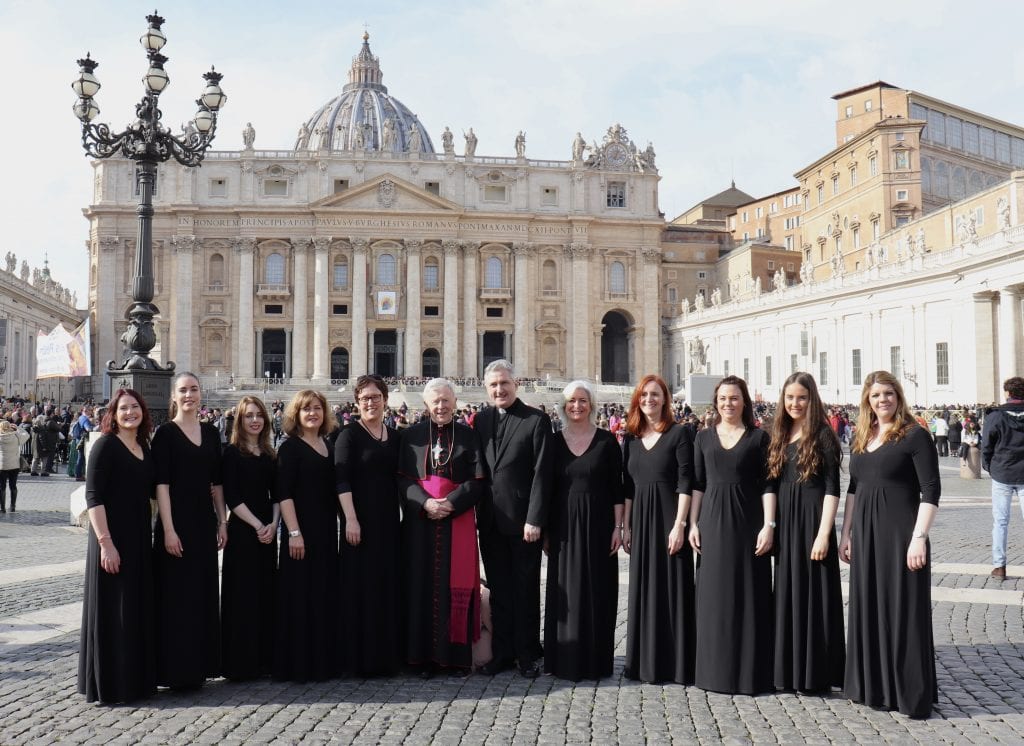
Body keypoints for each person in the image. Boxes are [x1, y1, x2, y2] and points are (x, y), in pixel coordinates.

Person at [839, 370, 940, 719]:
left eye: (889, 394)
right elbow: (854, 488)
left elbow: (931, 490)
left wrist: (919, 538)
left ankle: (907, 692)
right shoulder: (862, 436)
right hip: (866, 533)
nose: (883, 400)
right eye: (876, 395)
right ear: (867, 400)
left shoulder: (915, 435)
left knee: (903, 609)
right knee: (870, 607)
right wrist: (846, 533)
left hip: (901, 533)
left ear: (899, 397)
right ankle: (873, 685)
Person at [689, 375, 774, 695]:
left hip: (747, 523)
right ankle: (713, 670)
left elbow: (768, 485)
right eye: (723, 398)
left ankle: (750, 671)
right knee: (713, 598)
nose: (728, 404)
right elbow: (697, 484)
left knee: (748, 596)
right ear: (716, 402)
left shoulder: (758, 438)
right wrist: (693, 524)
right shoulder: (703, 438)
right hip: (711, 522)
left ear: (744, 402)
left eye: (734, 398)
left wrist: (769, 525)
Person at [399, 378, 485, 677]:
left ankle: (454, 658)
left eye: (446, 401)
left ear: (455, 403)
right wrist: (425, 503)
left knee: (452, 587)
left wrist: (451, 503)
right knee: (419, 587)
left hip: (455, 520)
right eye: (435, 401)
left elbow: (477, 480)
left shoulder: (468, 435)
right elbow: (403, 480)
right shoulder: (410, 436)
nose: (441, 406)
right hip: (420, 524)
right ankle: (420, 658)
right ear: (426, 405)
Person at [767, 372, 845, 693]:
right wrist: (770, 525)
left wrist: (825, 533)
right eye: (790, 398)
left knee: (816, 595)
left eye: (801, 397)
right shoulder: (778, 433)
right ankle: (788, 670)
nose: (795, 403)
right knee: (787, 592)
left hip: (813, 520)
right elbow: (769, 483)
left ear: (811, 399)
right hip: (786, 521)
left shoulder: (823, 434)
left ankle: (816, 672)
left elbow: (832, 487)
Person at [78, 389, 157, 703]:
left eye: (135, 407)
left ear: (143, 412)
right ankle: (111, 683)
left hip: (138, 535)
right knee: (114, 608)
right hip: (111, 536)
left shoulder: (143, 446)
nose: (130, 413)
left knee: (133, 606)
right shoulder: (105, 445)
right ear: (113, 413)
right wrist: (105, 543)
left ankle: (133, 680)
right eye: (124, 408)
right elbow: (93, 496)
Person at [475, 360, 551, 678]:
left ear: (515, 384)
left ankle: (528, 653)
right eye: (493, 385)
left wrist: (535, 519)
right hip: (491, 521)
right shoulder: (480, 419)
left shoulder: (536, 420)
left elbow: (542, 474)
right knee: (500, 590)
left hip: (523, 524)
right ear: (486, 388)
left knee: (525, 590)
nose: (499, 389)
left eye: (504, 383)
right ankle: (502, 652)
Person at [544, 380, 623, 681]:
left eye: (582, 400)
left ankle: (596, 659)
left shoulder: (607, 441)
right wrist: (547, 530)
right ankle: (562, 658)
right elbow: (547, 488)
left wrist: (619, 527)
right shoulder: (553, 441)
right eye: (571, 401)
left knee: (597, 589)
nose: (577, 406)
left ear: (592, 404)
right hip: (562, 524)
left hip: (599, 523)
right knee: (565, 591)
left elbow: (617, 488)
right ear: (564, 407)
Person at [152, 372, 226, 689]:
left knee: (202, 594)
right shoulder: (165, 434)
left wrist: (222, 520)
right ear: (173, 396)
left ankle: (199, 667)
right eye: (183, 390)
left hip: (203, 523)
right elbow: (162, 485)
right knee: (176, 598)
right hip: (176, 522)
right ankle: (174, 670)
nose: (189, 395)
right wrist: (168, 529)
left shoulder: (210, 433)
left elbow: (217, 482)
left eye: (194, 390)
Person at [621, 374, 695, 684]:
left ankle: (676, 664)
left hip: (668, 518)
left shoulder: (679, 434)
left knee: (672, 588)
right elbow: (626, 486)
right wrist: (624, 525)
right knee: (644, 588)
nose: (649, 399)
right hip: (641, 521)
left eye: (655, 394)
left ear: (665, 399)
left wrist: (680, 525)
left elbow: (686, 481)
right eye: (644, 395)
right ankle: (643, 662)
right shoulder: (631, 437)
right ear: (637, 400)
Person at [335, 375, 403, 676]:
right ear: (356, 401)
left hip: (388, 522)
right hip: (358, 523)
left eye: (376, 397)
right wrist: (350, 518)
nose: (371, 402)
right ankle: (357, 659)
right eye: (365, 398)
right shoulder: (347, 435)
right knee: (358, 589)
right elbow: (341, 479)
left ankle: (385, 658)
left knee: (386, 587)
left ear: (385, 400)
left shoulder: (396, 436)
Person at [274, 389, 339, 681]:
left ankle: (321, 660)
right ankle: (299, 663)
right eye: (306, 409)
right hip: (300, 530)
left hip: (325, 529)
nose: (312, 413)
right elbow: (283, 493)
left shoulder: (328, 444)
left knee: (323, 593)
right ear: (295, 415)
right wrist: (293, 532)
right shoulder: (290, 448)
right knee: (300, 595)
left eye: (317, 408)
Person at [220, 396, 278, 680]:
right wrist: (258, 524)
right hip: (244, 530)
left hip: (267, 531)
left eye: (258, 415)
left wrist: (274, 524)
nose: (254, 420)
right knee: (242, 596)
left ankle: (263, 659)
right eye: (248, 416)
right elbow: (232, 496)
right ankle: (240, 662)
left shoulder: (269, 453)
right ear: (240, 421)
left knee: (265, 594)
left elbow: (278, 493)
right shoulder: (231, 453)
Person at [982, 376, 1024, 580]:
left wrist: (989, 467)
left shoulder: (995, 416)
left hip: (1002, 473)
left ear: (1007, 393)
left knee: (1000, 522)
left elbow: (986, 446)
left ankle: (999, 567)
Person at [0, 420, 29, 513]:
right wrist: (18, 428)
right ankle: (13, 506)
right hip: (14, 465)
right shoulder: (16, 436)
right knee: (13, 486)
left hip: (2, 465)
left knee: (2, 487)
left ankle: (2, 508)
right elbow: (27, 435)